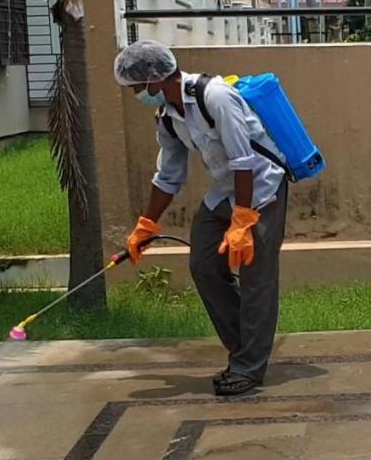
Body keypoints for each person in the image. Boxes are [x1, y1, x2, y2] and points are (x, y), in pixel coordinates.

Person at [113, 40, 288, 397]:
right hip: (226, 190)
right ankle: (245, 350)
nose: (135, 94)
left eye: (135, 86)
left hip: (263, 189)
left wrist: (243, 221)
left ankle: (248, 368)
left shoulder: (216, 97)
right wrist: (145, 226)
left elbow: (244, 161)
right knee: (204, 265)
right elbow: (168, 177)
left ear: (155, 79)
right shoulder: (168, 116)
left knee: (256, 277)